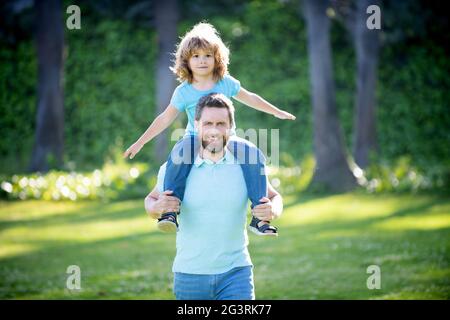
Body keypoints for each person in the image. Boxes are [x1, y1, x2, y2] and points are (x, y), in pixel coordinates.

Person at [124, 22, 294, 235]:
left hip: (227, 138)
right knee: (179, 154)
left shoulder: (225, 82)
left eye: (207, 55)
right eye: (196, 56)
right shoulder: (183, 91)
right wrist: (140, 142)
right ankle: (169, 212)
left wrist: (275, 111)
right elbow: (164, 118)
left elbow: (250, 97)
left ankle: (260, 218)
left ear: (217, 59)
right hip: (196, 138)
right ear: (186, 60)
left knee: (253, 154)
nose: (202, 60)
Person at [144, 93, 284, 300]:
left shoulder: (246, 164)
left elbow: (274, 197)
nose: (214, 130)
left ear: (231, 127)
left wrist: (273, 210)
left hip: (236, 273)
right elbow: (151, 200)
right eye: (208, 123)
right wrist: (157, 208)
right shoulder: (175, 167)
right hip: (189, 274)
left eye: (221, 123)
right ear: (197, 124)